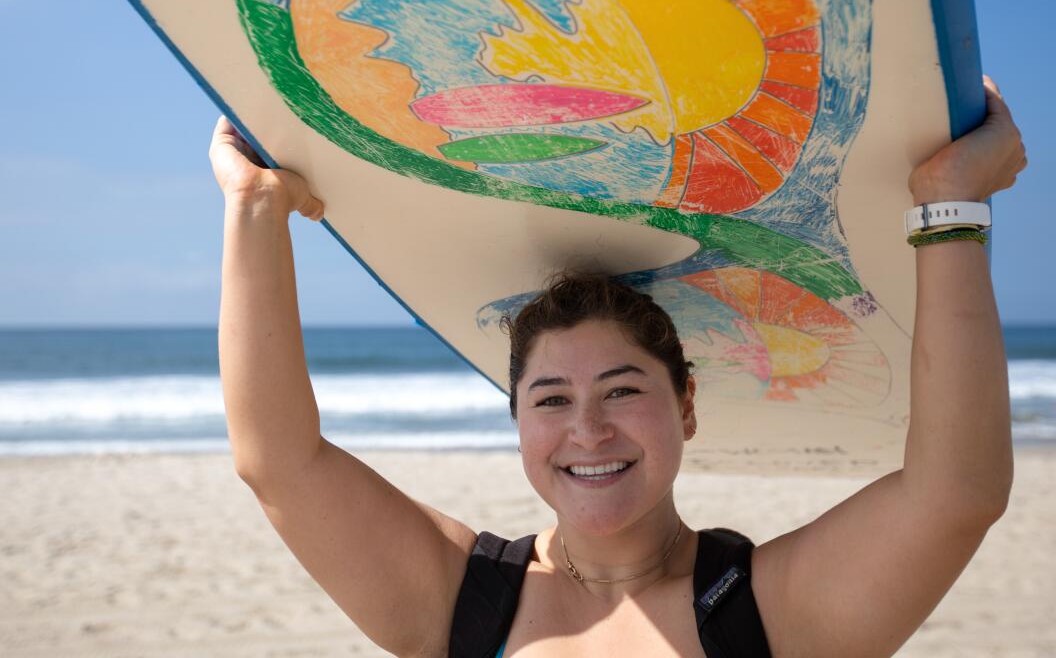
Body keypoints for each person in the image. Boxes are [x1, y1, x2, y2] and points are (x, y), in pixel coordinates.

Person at [208, 76, 1025, 657]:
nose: (587, 429)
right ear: (518, 422)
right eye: (551, 398)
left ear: (688, 407)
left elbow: (957, 491)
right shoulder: (463, 605)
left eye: (623, 389)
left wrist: (949, 205)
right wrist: (252, 209)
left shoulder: (761, 615)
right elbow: (278, 461)